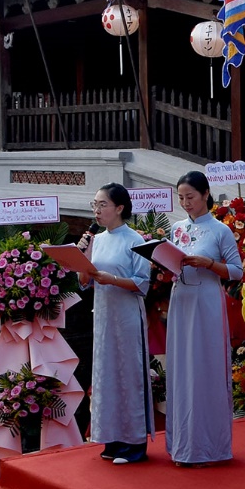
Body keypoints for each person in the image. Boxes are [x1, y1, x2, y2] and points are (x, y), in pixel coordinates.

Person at [165, 171, 243, 466]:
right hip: (181, 300)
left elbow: (237, 271)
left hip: (208, 302)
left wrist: (209, 263)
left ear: (206, 194)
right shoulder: (176, 229)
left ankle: (211, 448)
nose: (185, 203)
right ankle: (183, 446)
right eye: (181, 198)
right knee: (182, 371)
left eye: (191, 197)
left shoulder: (220, 230)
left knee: (206, 370)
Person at [78, 184, 153, 464]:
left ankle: (133, 445)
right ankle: (111, 439)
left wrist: (112, 280)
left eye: (102, 205)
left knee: (128, 377)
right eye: (94, 205)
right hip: (104, 317)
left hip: (127, 316)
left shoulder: (135, 240)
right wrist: (81, 258)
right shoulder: (97, 239)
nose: (97, 211)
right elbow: (84, 282)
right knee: (106, 376)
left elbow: (142, 283)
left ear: (119, 208)